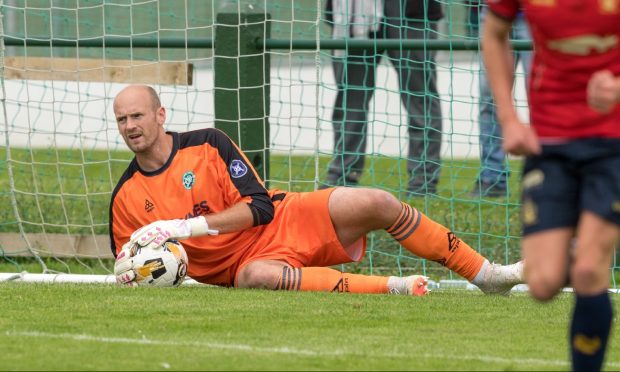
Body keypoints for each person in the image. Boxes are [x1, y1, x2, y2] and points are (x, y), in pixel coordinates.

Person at [109, 84, 524, 296]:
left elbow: (260, 207)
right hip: (243, 269)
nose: (131, 126)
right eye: (123, 119)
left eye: (138, 115)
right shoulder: (126, 197)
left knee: (377, 200)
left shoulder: (208, 143)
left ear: (160, 114)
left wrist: (182, 228)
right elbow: (128, 266)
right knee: (258, 276)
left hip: (287, 219)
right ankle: (394, 287)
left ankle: (487, 275)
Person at [482, 2, 620, 370]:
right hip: (549, 145)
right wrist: (509, 119)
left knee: (591, 271)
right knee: (543, 283)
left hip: (612, 142)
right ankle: (572, 250)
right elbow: (494, 33)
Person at [322, 0, 443, 195]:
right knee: (350, 98)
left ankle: (423, 182)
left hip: (412, 11)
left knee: (420, 98)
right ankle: (342, 177)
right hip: (351, 11)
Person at [470, 6, 531, 198]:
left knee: (543, 95)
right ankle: (491, 178)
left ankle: (548, 173)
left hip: (539, 12)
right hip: (494, 12)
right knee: (489, 98)